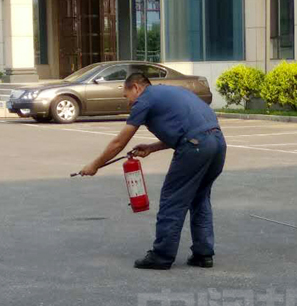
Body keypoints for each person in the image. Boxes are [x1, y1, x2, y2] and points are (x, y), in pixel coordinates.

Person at [79, 73, 227, 270]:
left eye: (126, 96)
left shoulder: (145, 99)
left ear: (136, 87)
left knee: (172, 199)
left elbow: (119, 142)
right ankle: (203, 254)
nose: (128, 103)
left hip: (196, 146)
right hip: (218, 143)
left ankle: (162, 255)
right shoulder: (168, 92)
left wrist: (95, 165)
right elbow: (188, 130)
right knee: (200, 198)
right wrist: (151, 147)